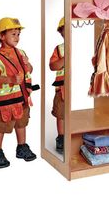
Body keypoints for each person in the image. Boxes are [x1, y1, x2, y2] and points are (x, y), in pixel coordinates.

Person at [0, 17, 38, 168]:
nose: (17, 37)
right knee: (2, 126)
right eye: (13, 34)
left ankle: (21, 147)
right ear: (1, 36)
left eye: (18, 34)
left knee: (22, 123)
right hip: (7, 102)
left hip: (22, 98)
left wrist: (29, 65)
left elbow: (29, 69)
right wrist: (10, 78)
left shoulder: (21, 53)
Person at [49, 17, 65, 154]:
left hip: (78, 89)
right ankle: (61, 138)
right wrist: (64, 59)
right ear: (61, 32)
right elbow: (52, 66)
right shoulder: (59, 49)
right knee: (61, 114)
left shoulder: (84, 44)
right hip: (62, 89)